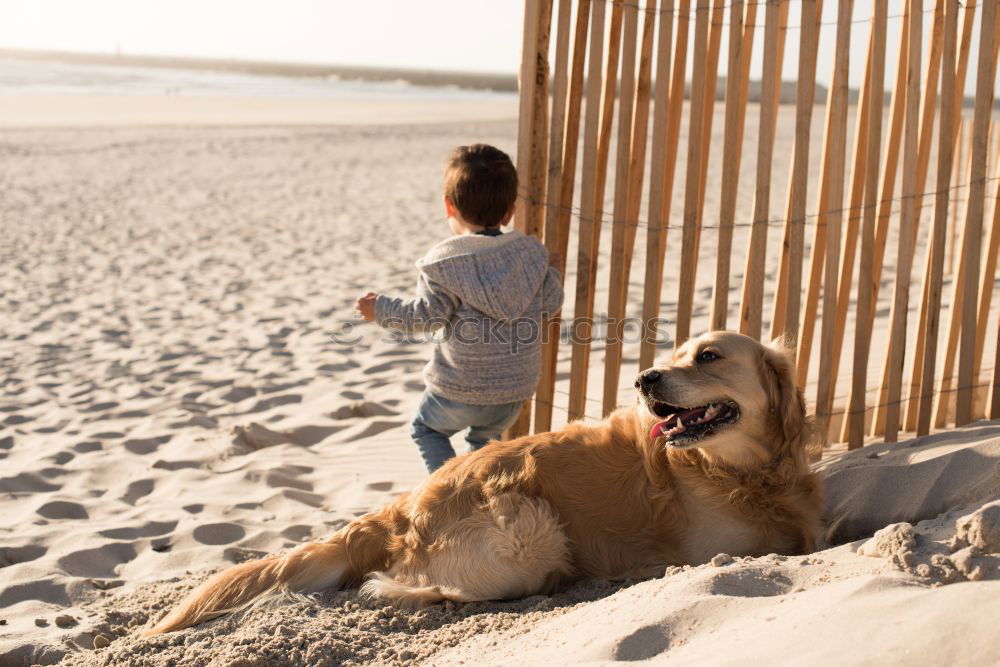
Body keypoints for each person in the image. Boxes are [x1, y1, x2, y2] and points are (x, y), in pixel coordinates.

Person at [356, 144, 563, 472]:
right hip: (512, 391)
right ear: (509, 211)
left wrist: (379, 310)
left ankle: (448, 494)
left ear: (448, 206)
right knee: (483, 448)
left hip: (459, 388)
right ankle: (475, 496)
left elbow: (424, 317)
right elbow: (550, 302)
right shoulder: (530, 255)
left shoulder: (445, 262)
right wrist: (550, 269)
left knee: (426, 430)